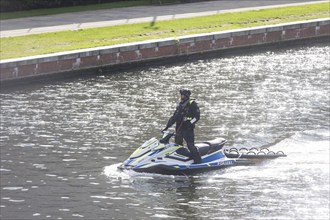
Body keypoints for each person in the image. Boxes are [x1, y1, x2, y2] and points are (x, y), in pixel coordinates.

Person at [162, 88, 202, 164]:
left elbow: (197, 117)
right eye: (181, 95)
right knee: (177, 146)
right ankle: (180, 161)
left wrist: (190, 123)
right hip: (179, 129)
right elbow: (174, 118)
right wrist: (167, 127)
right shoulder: (180, 105)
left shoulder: (192, 103)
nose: (181, 96)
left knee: (190, 146)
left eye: (183, 95)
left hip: (188, 129)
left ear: (187, 96)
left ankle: (198, 162)